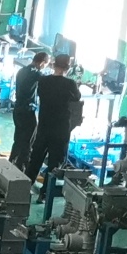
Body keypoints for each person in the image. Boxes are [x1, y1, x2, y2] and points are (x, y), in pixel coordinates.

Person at [27, 53, 84, 182]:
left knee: (35, 159)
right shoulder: (70, 83)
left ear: (53, 65)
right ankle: (47, 191)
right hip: (60, 128)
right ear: (68, 68)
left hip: (44, 126)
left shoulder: (43, 81)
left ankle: (25, 186)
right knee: (55, 163)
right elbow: (77, 97)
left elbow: (40, 94)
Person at [7, 51, 48, 165]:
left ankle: (11, 161)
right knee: (28, 141)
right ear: (42, 63)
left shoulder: (21, 70)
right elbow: (48, 81)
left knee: (18, 139)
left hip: (17, 109)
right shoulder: (35, 73)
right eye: (45, 65)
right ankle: (21, 167)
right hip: (27, 111)